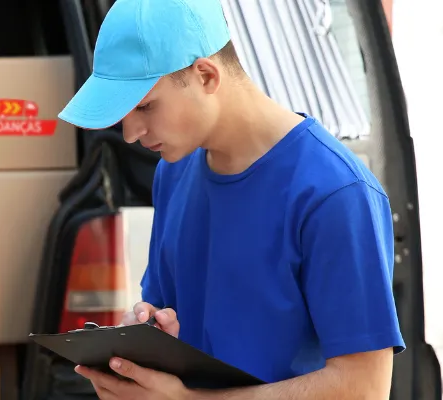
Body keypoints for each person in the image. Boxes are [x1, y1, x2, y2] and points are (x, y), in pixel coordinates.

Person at [58, 0, 405, 398]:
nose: (131, 133)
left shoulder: (335, 193)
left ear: (206, 75)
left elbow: (363, 388)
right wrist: (139, 349)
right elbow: (165, 311)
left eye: (145, 106)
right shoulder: (175, 172)